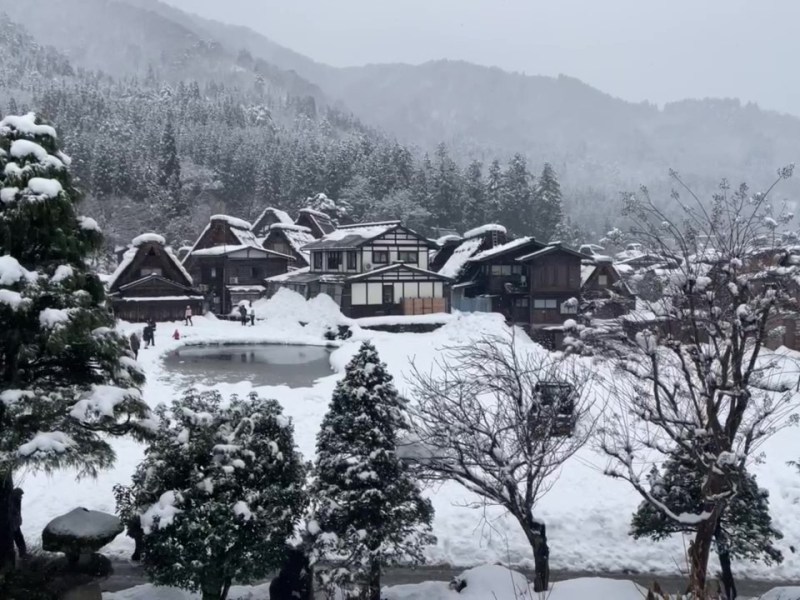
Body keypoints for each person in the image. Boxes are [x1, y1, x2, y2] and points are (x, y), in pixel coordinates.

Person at [11, 487, 26, 559]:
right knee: (18, 540)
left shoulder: (16, 501)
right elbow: (14, 514)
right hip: (11, 526)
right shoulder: (12, 502)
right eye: (20, 495)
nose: (21, 497)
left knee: (20, 540)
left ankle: (23, 555)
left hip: (15, 525)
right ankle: (22, 555)